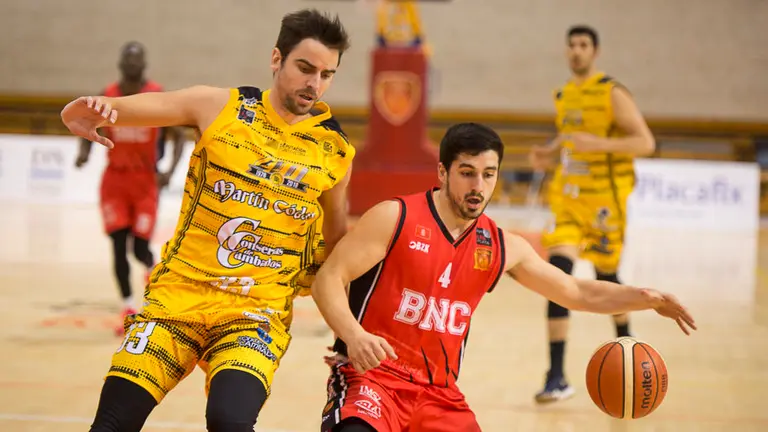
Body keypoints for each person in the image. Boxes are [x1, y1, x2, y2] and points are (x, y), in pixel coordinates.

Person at [61, 9, 354, 432]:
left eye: (327, 74)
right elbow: (145, 107)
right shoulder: (222, 106)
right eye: (305, 68)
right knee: (112, 423)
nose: (314, 83)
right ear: (277, 60)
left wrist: (346, 330)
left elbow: (337, 244)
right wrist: (91, 109)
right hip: (177, 299)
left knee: (228, 421)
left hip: (255, 314)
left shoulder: (333, 148)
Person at [311, 123, 693, 432]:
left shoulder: (496, 245)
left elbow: (575, 291)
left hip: (439, 396)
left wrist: (646, 297)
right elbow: (328, 278)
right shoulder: (395, 217)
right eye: (467, 173)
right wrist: (354, 335)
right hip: (373, 381)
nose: (478, 186)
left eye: (488, 174)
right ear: (442, 172)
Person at [528, 25, 657, 403]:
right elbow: (568, 137)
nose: (576, 51)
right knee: (558, 278)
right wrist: (548, 153)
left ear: (595, 52)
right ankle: (555, 376)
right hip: (568, 200)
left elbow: (645, 142)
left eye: (583, 45)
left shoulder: (611, 93)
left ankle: (631, 354)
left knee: (606, 277)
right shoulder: (564, 94)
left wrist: (598, 144)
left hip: (604, 205)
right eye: (571, 45)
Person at [75, 41, 186, 334]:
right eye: (128, 60)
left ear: (144, 65)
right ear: (121, 64)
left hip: (145, 180)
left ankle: (152, 270)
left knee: (139, 247)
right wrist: (84, 153)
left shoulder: (156, 95)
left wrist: (170, 171)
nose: (132, 65)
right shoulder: (108, 95)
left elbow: (178, 134)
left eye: (137, 61)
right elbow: (85, 122)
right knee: (117, 245)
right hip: (115, 180)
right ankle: (128, 307)